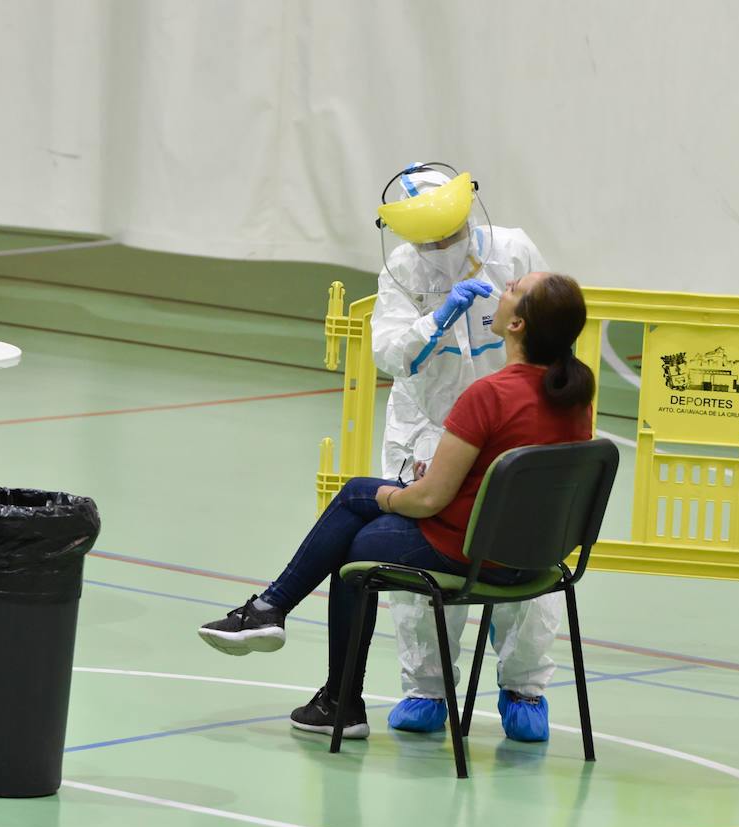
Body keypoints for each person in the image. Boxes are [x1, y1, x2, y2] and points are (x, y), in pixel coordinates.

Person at [197, 272, 595, 739]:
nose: (503, 286)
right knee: (359, 518)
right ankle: (276, 622)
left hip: (471, 555)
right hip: (537, 561)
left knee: (354, 530)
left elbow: (428, 501)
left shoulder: (488, 395)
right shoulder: (574, 399)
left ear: (516, 325)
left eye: (513, 289)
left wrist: (391, 495)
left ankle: (324, 682)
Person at [369, 162, 561, 742]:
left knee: (522, 551)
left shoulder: (513, 250)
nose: (442, 247)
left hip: (514, 428)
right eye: (430, 238)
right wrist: (436, 318)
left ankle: (524, 687)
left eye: (449, 233)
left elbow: (553, 326)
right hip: (429, 428)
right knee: (424, 558)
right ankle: (427, 688)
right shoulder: (401, 269)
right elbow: (390, 355)